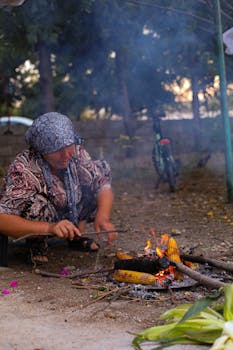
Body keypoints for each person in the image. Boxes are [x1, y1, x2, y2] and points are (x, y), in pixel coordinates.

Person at [0, 112, 118, 265]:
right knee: (36, 206)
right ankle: (36, 244)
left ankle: (76, 236)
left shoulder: (76, 152)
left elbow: (101, 183)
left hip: (67, 209)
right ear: (42, 150)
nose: (66, 155)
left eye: (69, 146)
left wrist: (103, 217)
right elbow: (2, 219)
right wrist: (50, 227)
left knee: (90, 188)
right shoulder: (23, 169)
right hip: (45, 217)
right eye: (57, 150)